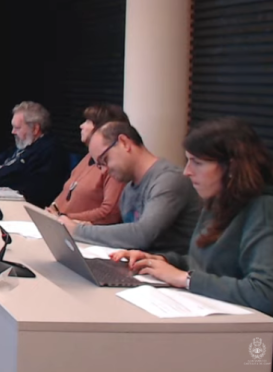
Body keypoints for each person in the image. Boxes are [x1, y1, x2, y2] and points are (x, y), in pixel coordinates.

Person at [110, 118, 273, 316]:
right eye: (188, 161)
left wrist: (185, 279)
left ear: (232, 167)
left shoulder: (263, 209)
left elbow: (264, 293)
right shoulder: (217, 201)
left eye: (197, 162)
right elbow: (204, 264)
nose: (187, 172)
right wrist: (158, 260)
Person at [60, 121, 201, 254]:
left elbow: (142, 234)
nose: (104, 170)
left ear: (124, 143)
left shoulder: (168, 179)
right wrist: (90, 229)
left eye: (105, 159)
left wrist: (78, 231)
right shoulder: (128, 189)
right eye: (99, 165)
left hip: (171, 268)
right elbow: (128, 234)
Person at [46, 104, 129, 225]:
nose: (81, 126)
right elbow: (66, 192)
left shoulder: (115, 166)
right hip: (60, 224)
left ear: (103, 129)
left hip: (80, 230)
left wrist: (65, 217)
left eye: (88, 122)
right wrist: (52, 210)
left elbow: (110, 213)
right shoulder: (88, 157)